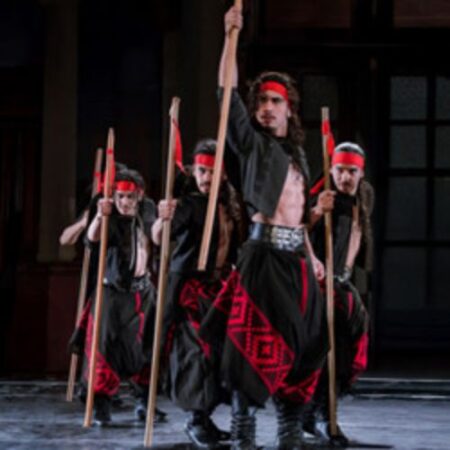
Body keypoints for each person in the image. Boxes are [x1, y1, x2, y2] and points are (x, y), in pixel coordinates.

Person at [199, 6, 329, 450]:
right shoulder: (252, 144)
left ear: (289, 108)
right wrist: (228, 37)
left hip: (296, 259)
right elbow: (226, 93)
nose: (266, 108)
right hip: (264, 257)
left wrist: (312, 255)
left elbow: (300, 216)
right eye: (261, 102)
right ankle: (244, 431)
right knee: (252, 343)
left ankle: (290, 428)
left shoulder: (298, 155)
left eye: (275, 101)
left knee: (309, 340)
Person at [152, 139, 246, 449]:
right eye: (202, 171)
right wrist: (162, 218)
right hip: (191, 290)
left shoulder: (232, 205)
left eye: (213, 171)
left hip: (220, 290)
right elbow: (159, 237)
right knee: (198, 353)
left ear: (224, 173)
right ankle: (195, 419)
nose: (207, 177)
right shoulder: (188, 204)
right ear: (193, 172)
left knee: (220, 356)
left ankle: (205, 418)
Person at [83, 167, 162, 426]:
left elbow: (156, 237)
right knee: (105, 347)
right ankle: (101, 405)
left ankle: (145, 402)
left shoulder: (147, 209)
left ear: (139, 196)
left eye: (129, 197)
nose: (124, 202)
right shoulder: (107, 212)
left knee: (146, 346)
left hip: (143, 290)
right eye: (120, 197)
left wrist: (164, 219)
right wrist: (100, 216)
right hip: (113, 292)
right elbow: (91, 239)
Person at [307, 142, 374, 445]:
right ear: (331, 170)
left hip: (344, 285)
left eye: (352, 171)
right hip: (318, 286)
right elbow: (297, 227)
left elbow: (359, 233)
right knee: (322, 351)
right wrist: (317, 212)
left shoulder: (364, 196)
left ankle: (322, 411)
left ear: (361, 173)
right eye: (340, 170)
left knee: (346, 349)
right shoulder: (321, 197)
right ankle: (321, 414)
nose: (345, 177)